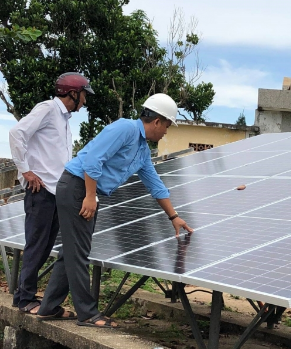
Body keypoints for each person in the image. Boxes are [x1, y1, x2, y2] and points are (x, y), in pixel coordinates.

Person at [37, 93, 194, 328]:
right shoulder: (125, 129)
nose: (166, 132)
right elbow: (92, 160)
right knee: (78, 253)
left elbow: (155, 185)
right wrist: (90, 197)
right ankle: (87, 314)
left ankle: (48, 308)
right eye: (167, 126)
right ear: (157, 121)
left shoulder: (142, 150)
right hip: (77, 188)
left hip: (84, 190)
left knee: (72, 251)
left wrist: (174, 216)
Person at [9, 72, 94, 315]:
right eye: (84, 95)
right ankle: (24, 299)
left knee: (45, 246)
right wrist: (26, 171)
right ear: (72, 93)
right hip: (41, 191)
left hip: (57, 192)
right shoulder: (47, 109)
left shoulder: (63, 118)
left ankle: (27, 296)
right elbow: (16, 133)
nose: (85, 101)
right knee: (37, 244)